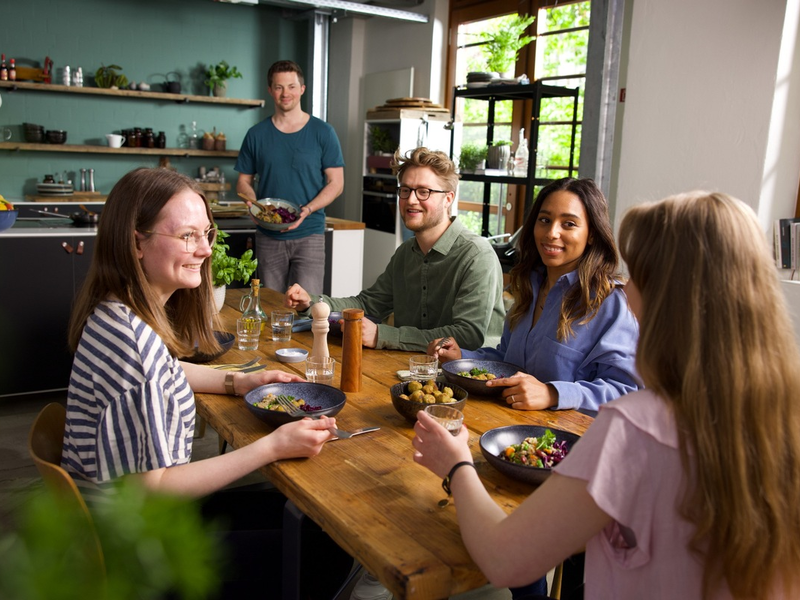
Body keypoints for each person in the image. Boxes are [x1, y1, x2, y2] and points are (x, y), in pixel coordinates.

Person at [412, 191, 800, 599]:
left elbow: (505, 559)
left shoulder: (634, 426)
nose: (627, 290)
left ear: (671, 300)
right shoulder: (782, 419)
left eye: (640, 277)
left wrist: (457, 466)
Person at [61, 167, 351, 596]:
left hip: (129, 526)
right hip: (143, 554)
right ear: (135, 242)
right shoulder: (133, 347)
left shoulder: (115, 313)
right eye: (187, 237)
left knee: (309, 515)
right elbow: (155, 490)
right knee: (333, 544)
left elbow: (166, 371)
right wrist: (271, 446)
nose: (205, 250)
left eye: (207, 234)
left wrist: (239, 382)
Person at [430, 178, 639, 412]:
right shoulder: (530, 286)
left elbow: (626, 391)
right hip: (510, 428)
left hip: (568, 443)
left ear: (591, 234)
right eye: (545, 220)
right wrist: (462, 358)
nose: (552, 233)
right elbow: (508, 361)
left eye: (569, 224)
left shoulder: (611, 302)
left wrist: (553, 393)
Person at [285, 146, 506, 352]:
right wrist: (312, 302)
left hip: (473, 379)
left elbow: (468, 336)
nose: (411, 200)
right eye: (406, 190)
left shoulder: (477, 255)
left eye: (424, 192)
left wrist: (383, 335)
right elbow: (367, 304)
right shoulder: (405, 252)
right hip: (411, 368)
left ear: (448, 199)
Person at [235, 59, 344, 295]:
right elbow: (244, 181)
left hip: (310, 233)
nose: (286, 93)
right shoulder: (256, 134)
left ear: (302, 89)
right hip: (268, 235)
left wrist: (308, 209)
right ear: (270, 90)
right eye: (279, 87)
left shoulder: (323, 132)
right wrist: (254, 205)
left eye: (292, 86)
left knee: (308, 307)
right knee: (270, 304)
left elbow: (336, 183)